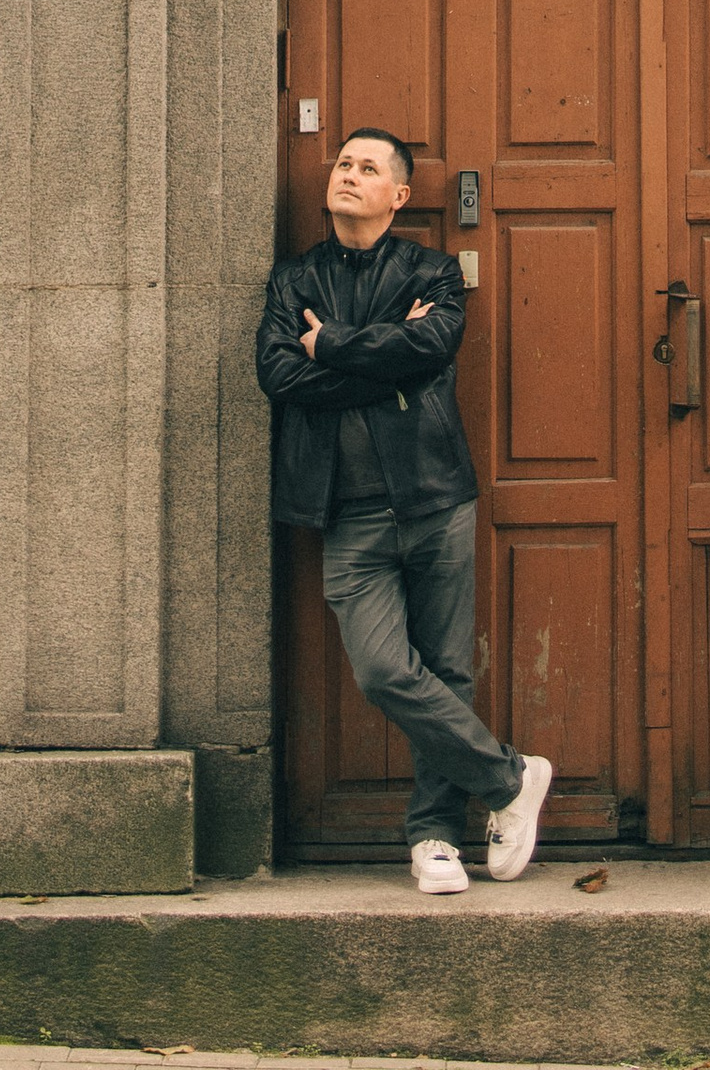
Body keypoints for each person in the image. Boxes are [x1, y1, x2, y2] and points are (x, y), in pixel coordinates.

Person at [256, 125, 553, 896]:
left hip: (433, 495)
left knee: (447, 669)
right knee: (386, 669)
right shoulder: (293, 281)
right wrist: (379, 356)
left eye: (367, 168)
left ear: (400, 194)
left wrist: (333, 347)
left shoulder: (436, 271)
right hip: (346, 510)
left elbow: (433, 351)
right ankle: (511, 779)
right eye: (343, 164)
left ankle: (433, 839)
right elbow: (279, 374)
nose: (348, 176)